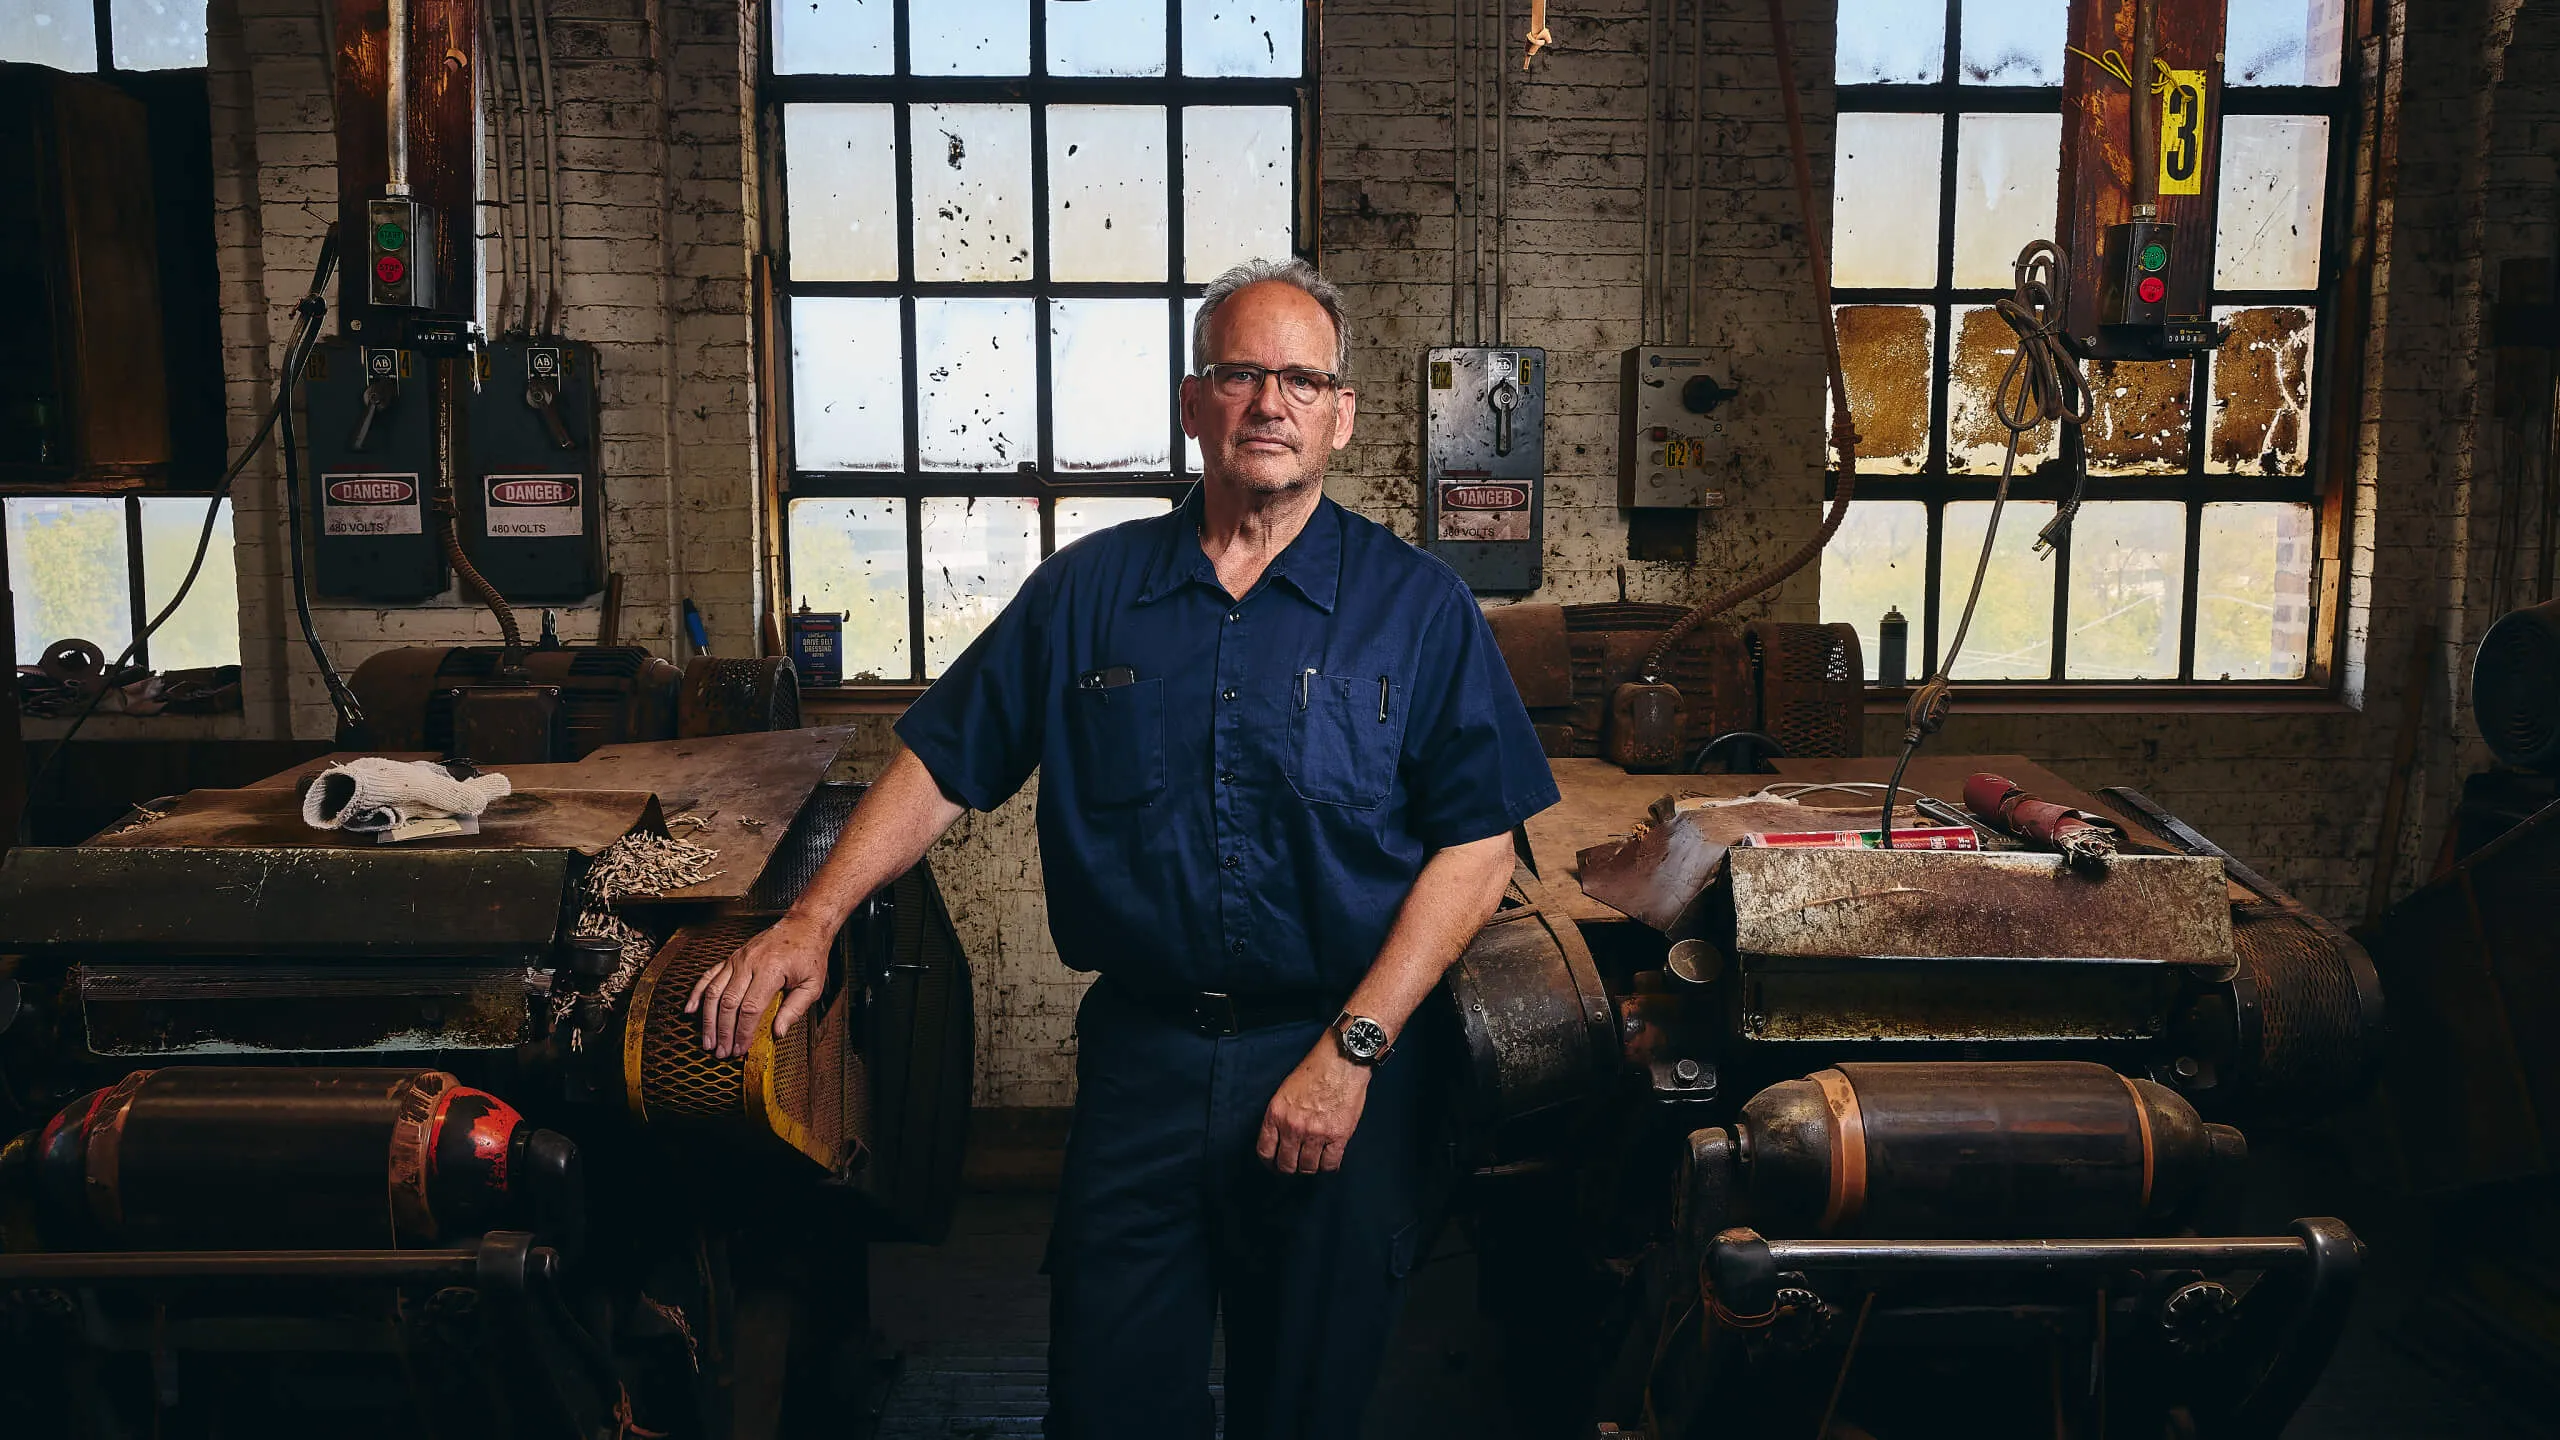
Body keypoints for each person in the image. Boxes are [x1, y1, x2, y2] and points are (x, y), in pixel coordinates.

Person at [686, 257, 1558, 1437]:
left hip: (1340, 1057)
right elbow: (945, 763)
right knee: (1107, 1400)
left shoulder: (1419, 606)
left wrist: (1352, 1050)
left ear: (1341, 417)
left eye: (1302, 379)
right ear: (1194, 402)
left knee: (1302, 1402)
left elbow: (1478, 845)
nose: (1271, 403)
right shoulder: (1087, 594)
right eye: (1240, 373)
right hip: (1142, 1068)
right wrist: (812, 917)